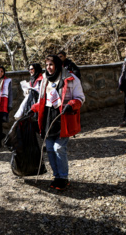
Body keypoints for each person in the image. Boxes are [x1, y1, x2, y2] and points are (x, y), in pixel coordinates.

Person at [30, 55, 85, 190]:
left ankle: (63, 178)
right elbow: (43, 100)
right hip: (49, 118)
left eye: (51, 64)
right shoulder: (44, 80)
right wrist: (32, 109)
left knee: (59, 148)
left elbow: (80, 98)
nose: (49, 67)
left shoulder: (71, 78)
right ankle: (57, 177)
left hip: (63, 117)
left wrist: (72, 104)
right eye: (47, 65)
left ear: (58, 65)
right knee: (49, 148)